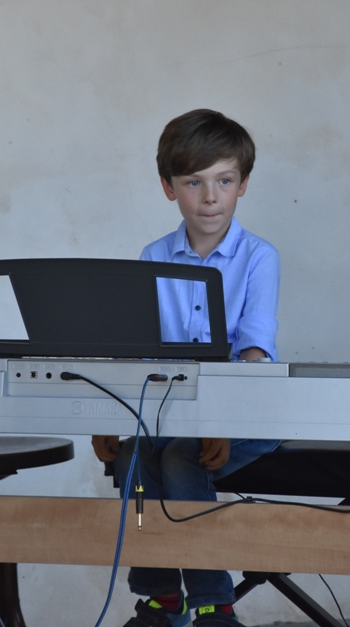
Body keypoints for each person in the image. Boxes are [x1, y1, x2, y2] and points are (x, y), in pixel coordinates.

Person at [92, 109, 280, 627]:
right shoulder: (153, 256)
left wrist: (220, 419)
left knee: (181, 456)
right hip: (173, 415)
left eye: (224, 181)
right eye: (194, 182)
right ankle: (161, 598)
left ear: (243, 184)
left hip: (248, 415)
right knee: (133, 453)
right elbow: (138, 351)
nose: (210, 197)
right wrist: (112, 416)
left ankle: (214, 604)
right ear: (168, 187)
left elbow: (254, 352)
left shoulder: (259, 258)